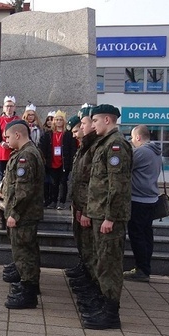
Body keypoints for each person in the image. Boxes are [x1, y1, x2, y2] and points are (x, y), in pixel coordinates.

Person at [82, 104, 132, 329]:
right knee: (102, 261)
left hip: (108, 217)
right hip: (99, 213)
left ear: (107, 120)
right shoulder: (104, 144)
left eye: (95, 121)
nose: (92, 125)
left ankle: (111, 314)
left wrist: (110, 217)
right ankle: (104, 303)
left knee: (109, 264)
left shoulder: (115, 145)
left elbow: (117, 185)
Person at [1, 120, 45, 309]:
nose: (7, 141)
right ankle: (29, 286)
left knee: (24, 253)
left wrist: (15, 213)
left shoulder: (26, 156)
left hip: (24, 214)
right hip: (27, 213)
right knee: (27, 251)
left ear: (18, 135)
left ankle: (28, 294)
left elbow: (24, 189)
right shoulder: (27, 152)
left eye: (8, 137)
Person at [124, 124, 162, 282]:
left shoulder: (141, 152)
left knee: (137, 235)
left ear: (138, 137)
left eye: (132, 138)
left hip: (139, 199)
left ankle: (142, 269)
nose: (132, 141)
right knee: (146, 235)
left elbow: (124, 167)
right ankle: (145, 267)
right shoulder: (156, 151)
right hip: (151, 199)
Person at [65, 108, 98, 283]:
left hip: (90, 207)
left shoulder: (93, 148)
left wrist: (85, 209)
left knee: (91, 246)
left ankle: (90, 279)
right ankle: (84, 268)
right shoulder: (83, 148)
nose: (75, 134)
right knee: (83, 243)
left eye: (78, 128)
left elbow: (93, 183)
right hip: (81, 204)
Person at [39, 110, 77, 210]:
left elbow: (72, 148)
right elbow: (43, 148)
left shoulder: (68, 134)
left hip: (64, 162)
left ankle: (62, 201)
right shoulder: (48, 134)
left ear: (64, 121)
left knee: (63, 182)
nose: (58, 121)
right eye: (57, 120)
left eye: (61, 120)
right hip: (52, 162)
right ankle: (53, 200)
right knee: (53, 183)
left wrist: (71, 162)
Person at [0, 96, 20, 180]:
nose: (9, 108)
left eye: (11, 106)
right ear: (3, 108)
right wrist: (1, 142)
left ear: (14, 107)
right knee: (2, 177)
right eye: (7, 106)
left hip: (14, 152)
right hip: (1, 153)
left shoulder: (19, 120)